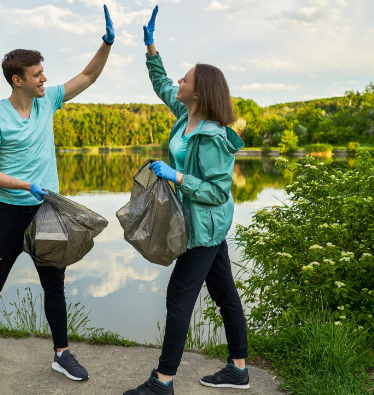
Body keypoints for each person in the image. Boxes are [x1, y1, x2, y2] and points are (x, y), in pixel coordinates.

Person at [0, 5, 115, 382]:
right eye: (37, 74)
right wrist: (25, 184)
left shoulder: (48, 101)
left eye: (44, 73)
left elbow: (89, 76)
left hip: (46, 212)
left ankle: (62, 354)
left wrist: (107, 42)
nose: (45, 79)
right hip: (5, 212)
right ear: (17, 80)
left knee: (53, 284)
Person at [124, 6, 249, 395]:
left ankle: (162, 381)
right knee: (225, 292)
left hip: (203, 227)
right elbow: (162, 83)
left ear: (200, 90)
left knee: (179, 298)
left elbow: (216, 191)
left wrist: (177, 176)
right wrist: (150, 47)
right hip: (204, 223)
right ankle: (239, 369)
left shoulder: (212, 136)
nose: (179, 80)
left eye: (186, 78)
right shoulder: (185, 112)